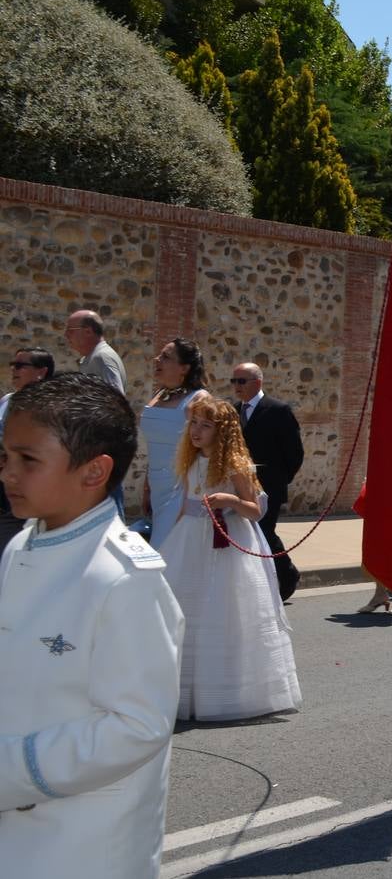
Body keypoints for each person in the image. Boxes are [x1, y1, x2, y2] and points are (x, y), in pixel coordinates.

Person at [0, 374, 183, 878]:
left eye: (27, 460)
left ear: (94, 471)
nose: (8, 474)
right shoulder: (21, 545)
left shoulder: (124, 578)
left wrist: (11, 770)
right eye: (5, 458)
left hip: (80, 840)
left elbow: (138, 725)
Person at [158, 397, 301, 721]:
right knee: (185, 607)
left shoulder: (236, 465)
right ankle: (183, 689)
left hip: (228, 542)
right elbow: (184, 504)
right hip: (192, 539)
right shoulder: (192, 461)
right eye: (193, 423)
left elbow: (255, 510)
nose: (196, 431)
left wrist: (230, 500)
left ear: (222, 432)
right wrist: (171, 543)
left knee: (223, 608)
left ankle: (225, 692)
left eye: (205, 425)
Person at [230, 363, 305, 600]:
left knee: (264, 532)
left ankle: (287, 575)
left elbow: (294, 453)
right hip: (242, 487)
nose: (236, 386)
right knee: (250, 535)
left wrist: (279, 481)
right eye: (234, 381)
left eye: (241, 381)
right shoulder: (233, 411)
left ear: (257, 383)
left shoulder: (278, 410)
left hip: (269, 487)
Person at [141, 339, 210, 550]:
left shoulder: (198, 399)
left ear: (184, 368)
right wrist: (147, 485)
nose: (157, 360)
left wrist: (193, 496)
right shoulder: (159, 395)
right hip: (157, 485)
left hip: (181, 488)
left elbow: (206, 450)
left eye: (166, 357)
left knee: (167, 551)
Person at [0, 347, 55, 550]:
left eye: (21, 365)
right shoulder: (8, 400)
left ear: (41, 371)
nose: (14, 369)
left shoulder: (48, 408)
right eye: (13, 365)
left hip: (28, 488)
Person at [64, 309, 127, 394]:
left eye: (70, 330)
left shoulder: (103, 357)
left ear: (88, 331)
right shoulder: (93, 357)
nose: (66, 335)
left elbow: (115, 400)